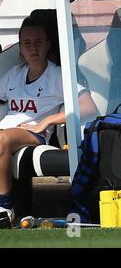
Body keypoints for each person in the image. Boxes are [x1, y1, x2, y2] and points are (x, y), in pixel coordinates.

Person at [0, 16, 97, 228]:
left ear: (48, 45)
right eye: (27, 43)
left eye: (38, 42)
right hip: (5, 130)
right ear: (20, 48)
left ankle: (5, 208)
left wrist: (47, 121)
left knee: (1, 139)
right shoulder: (12, 75)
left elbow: (89, 108)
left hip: (33, 134)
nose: (33, 48)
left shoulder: (59, 75)